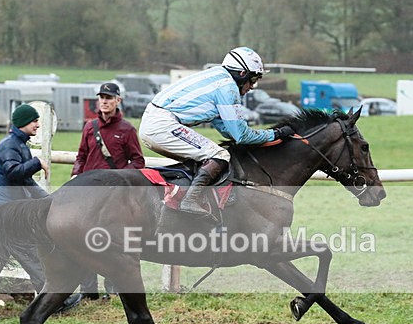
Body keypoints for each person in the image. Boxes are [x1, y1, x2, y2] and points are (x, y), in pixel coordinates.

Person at [138, 46, 295, 217]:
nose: (252, 86)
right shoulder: (228, 88)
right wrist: (275, 134)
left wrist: (256, 139)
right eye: (253, 79)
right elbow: (241, 135)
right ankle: (191, 200)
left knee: (204, 159)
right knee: (219, 155)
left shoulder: (217, 76)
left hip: (155, 121)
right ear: (242, 73)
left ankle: (182, 201)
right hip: (162, 125)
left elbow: (227, 130)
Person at [0, 104, 81, 320]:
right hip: (4, 217)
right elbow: (13, 172)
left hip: (3, 215)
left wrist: (50, 201)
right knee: (34, 259)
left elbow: (25, 181)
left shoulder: (18, 145)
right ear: (24, 122)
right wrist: (38, 162)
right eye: (34, 121)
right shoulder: (9, 146)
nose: (38, 124)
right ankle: (55, 303)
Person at [72, 82, 144, 299]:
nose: (104, 101)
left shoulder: (128, 130)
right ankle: (88, 292)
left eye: (109, 98)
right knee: (83, 241)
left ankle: (112, 290)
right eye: (101, 97)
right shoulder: (89, 127)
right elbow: (81, 156)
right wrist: (76, 175)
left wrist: (119, 178)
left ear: (118, 101)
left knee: (112, 243)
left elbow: (138, 161)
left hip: (114, 197)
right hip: (88, 194)